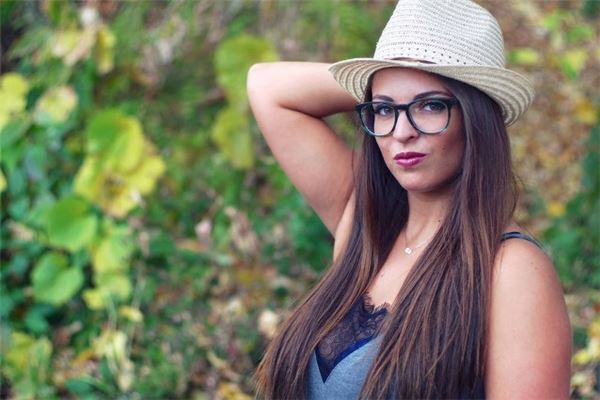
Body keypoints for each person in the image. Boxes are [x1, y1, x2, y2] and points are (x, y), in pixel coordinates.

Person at [246, 0, 572, 398]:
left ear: (477, 115)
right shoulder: (365, 226)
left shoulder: (511, 270)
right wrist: (384, 80)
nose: (402, 132)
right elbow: (265, 85)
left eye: (430, 105)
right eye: (385, 110)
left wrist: (401, 83)